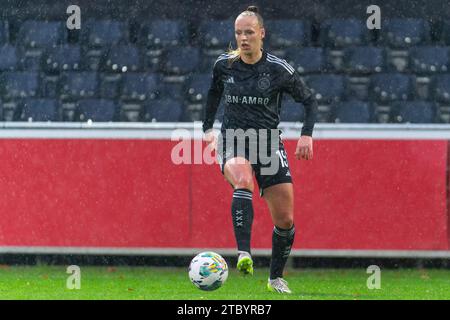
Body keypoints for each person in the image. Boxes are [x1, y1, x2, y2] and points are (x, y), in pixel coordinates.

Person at [202, 5, 317, 294]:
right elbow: (213, 94)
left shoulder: (278, 69)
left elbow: (309, 101)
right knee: (243, 181)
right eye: (239, 33)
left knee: (286, 220)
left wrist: (306, 135)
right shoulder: (224, 65)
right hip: (233, 139)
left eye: (249, 32)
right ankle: (244, 253)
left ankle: (275, 278)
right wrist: (207, 129)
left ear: (262, 34)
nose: (243, 38)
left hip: (267, 144)